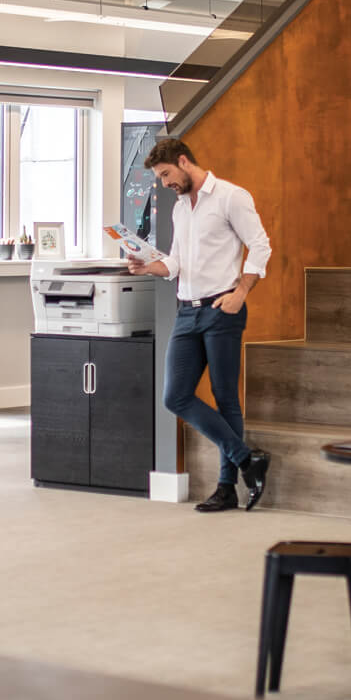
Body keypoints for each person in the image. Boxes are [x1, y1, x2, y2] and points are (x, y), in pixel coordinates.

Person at [125, 137, 273, 513]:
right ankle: (246, 459)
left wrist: (242, 291)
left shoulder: (230, 197)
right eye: (159, 178)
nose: (164, 183)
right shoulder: (179, 209)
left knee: (225, 398)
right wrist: (148, 266)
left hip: (222, 309)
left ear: (184, 161)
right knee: (175, 396)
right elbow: (175, 263)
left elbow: (260, 245)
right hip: (187, 312)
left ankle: (226, 489)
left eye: (165, 175)